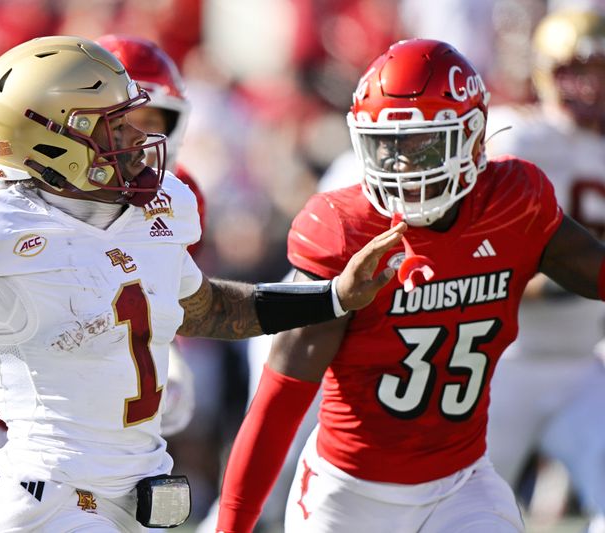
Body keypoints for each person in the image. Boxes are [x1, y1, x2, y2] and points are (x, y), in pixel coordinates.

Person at [0, 35, 407, 532]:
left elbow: (209, 307)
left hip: (141, 496)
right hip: (56, 502)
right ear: (54, 141)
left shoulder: (158, 211)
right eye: (114, 125)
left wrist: (332, 297)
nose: (138, 137)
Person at [215, 38, 605, 533]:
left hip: (461, 487)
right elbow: (279, 398)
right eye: (387, 146)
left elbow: (597, 272)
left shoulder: (514, 202)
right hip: (347, 494)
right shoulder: (345, 228)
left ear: (471, 136)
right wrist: (232, 527)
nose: (400, 165)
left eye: (421, 144)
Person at [0, 35, 209, 533]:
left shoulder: (173, 200)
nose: (136, 135)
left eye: (151, 119)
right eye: (114, 122)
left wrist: (168, 362)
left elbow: (157, 306)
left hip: (86, 476)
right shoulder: (10, 195)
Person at [483, 8, 605, 530]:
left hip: (583, 364)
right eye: (572, 69)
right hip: (505, 360)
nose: (586, 85)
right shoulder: (520, 140)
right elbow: (481, 256)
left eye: (597, 69)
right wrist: (557, 282)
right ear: (543, 72)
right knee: (459, 508)